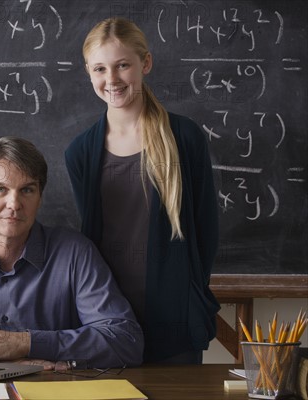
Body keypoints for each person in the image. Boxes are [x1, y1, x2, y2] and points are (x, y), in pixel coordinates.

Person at [65, 18, 220, 364]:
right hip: (107, 319)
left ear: (145, 63)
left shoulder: (185, 137)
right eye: (100, 69)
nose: (112, 79)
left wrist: (188, 292)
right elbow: (92, 239)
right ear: (89, 72)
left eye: (123, 65)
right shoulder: (80, 152)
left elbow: (206, 230)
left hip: (174, 320)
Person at [0, 136, 143, 369]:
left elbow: (125, 341)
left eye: (27, 190)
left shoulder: (75, 253)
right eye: (0, 189)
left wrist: (27, 342)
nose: (14, 204)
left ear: (40, 197)